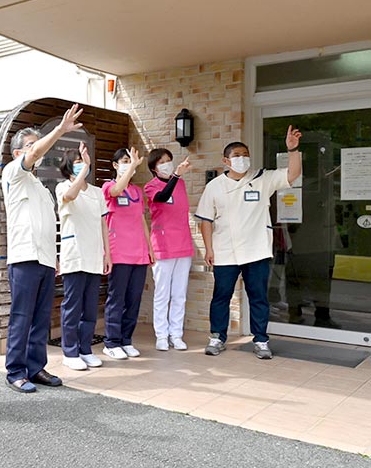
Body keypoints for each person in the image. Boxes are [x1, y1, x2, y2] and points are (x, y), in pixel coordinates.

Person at [195, 127, 302, 360]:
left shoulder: (262, 178)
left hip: (256, 251)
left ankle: (261, 340)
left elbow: (292, 174)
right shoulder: (214, 186)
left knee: (258, 297)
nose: (242, 159)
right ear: (225, 160)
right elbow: (205, 221)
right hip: (224, 252)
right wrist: (209, 249)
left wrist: (293, 149)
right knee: (221, 296)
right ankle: (217, 337)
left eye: (245, 155)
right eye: (236, 156)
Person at [1, 104, 84, 392]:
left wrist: (56, 257)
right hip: (24, 256)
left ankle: (36, 368)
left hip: (46, 259)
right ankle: (15, 371)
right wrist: (60, 130)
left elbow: (50, 225)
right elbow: (34, 154)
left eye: (37, 144)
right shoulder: (13, 172)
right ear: (17, 153)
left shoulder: (40, 186)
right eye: (29, 145)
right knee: (21, 317)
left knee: (40, 318)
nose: (35, 150)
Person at [55, 142, 111, 370]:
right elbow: (70, 195)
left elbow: (103, 223)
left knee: (90, 306)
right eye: (77, 162)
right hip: (74, 254)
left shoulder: (97, 193)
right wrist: (83, 170)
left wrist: (107, 253)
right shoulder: (62, 187)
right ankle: (70, 351)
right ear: (69, 167)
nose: (81, 165)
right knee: (73, 305)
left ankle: (85, 349)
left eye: (83, 161)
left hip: (95, 254)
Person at [102, 147, 154, 360]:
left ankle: (126, 340)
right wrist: (133, 166)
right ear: (115, 165)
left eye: (130, 160)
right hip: (119, 252)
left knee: (133, 298)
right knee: (117, 298)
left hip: (139, 252)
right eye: (124, 161)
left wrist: (150, 248)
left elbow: (141, 220)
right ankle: (111, 342)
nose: (128, 163)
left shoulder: (136, 191)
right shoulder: (108, 187)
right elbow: (115, 192)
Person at [144, 149, 193, 351]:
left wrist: (176, 178)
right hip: (163, 246)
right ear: (154, 167)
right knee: (162, 294)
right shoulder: (150, 186)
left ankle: (176, 334)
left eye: (169, 160)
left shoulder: (180, 184)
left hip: (183, 244)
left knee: (179, 294)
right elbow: (163, 197)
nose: (168, 164)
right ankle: (162, 335)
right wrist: (176, 175)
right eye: (162, 162)